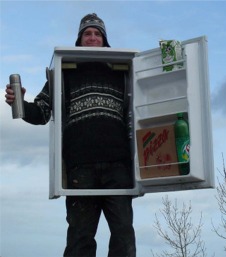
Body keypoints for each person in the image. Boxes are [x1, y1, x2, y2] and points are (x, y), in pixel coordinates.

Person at [5, 13, 136, 257]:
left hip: (118, 165)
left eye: (98, 34)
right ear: (79, 40)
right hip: (80, 167)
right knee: (80, 238)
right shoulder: (65, 70)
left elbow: (142, 112)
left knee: (123, 235)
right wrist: (20, 103)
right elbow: (42, 113)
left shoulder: (123, 71)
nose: (93, 37)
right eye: (88, 33)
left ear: (104, 41)